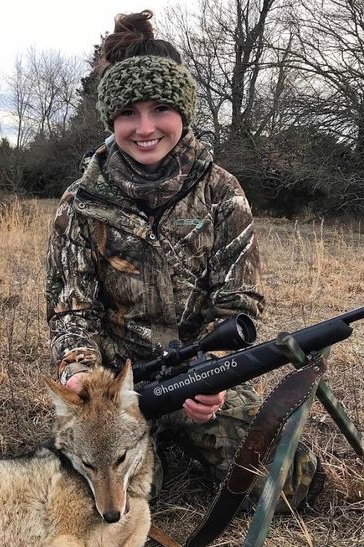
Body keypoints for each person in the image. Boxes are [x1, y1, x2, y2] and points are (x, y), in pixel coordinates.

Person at [46, 10, 322, 511]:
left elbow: (238, 305)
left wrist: (214, 371)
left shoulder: (222, 193)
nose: (144, 128)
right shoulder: (79, 202)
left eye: (159, 110)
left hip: (197, 374)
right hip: (117, 388)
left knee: (291, 485)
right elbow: (71, 311)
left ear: (184, 113)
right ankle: (151, 453)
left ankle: (173, 443)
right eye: (129, 113)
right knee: (79, 497)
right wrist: (82, 375)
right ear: (111, 120)